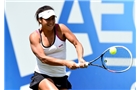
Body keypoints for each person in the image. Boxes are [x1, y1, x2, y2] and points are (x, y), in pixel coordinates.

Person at [29, 5, 87, 90]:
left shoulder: (61, 28)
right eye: (47, 19)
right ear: (40, 20)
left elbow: (77, 43)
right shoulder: (34, 36)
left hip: (60, 76)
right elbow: (43, 58)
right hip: (43, 75)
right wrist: (66, 63)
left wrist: (80, 58)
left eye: (53, 18)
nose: (51, 22)